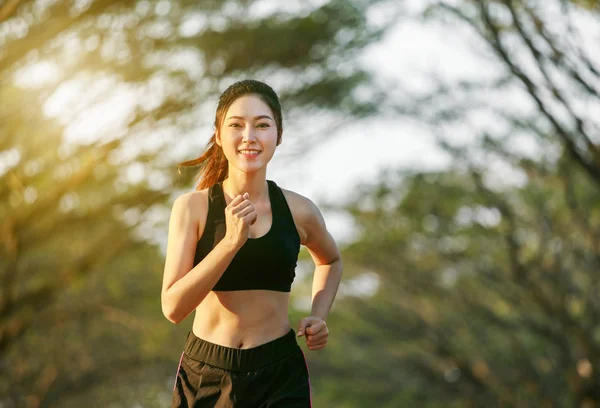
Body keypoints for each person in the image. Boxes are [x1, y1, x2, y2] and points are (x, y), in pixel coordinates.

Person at [161, 79, 343, 407]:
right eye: (236, 125)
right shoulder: (192, 208)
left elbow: (330, 260)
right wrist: (231, 242)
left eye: (262, 125)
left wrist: (319, 315)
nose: (250, 136)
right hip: (205, 375)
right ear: (218, 135)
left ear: (278, 135)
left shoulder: (300, 210)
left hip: (279, 373)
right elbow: (173, 308)